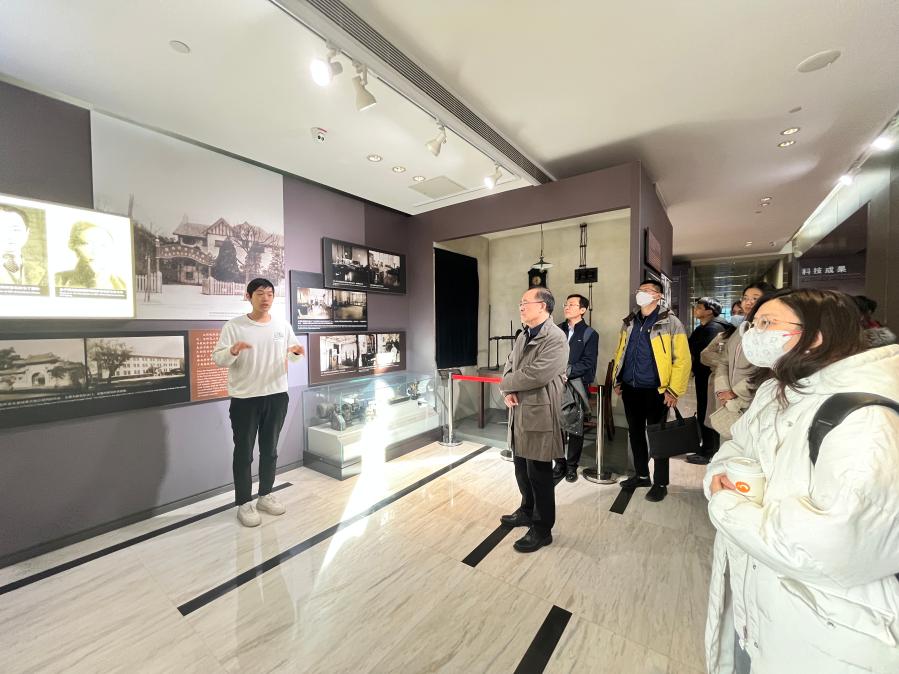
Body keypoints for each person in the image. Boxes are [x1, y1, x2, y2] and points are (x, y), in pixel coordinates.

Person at [703, 289, 899, 673]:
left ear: (816, 334)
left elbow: (825, 550)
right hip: (756, 600)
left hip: (827, 633)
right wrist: (721, 476)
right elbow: (737, 446)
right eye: (753, 324)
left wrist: (725, 502)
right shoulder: (778, 390)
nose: (754, 334)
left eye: (767, 323)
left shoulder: (866, 421)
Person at [212, 278, 305, 527]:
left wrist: (296, 353)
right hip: (245, 399)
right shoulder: (234, 326)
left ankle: (265, 495)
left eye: (270, 294)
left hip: (276, 396)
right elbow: (219, 359)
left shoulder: (282, 325)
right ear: (248, 296)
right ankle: (244, 502)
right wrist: (233, 351)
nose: (266, 298)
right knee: (244, 452)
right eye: (260, 293)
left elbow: (292, 356)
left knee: (270, 450)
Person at [499, 287, 569, 553]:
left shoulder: (555, 338)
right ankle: (527, 510)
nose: (521, 306)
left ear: (543, 306)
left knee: (539, 473)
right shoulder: (524, 334)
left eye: (525, 302)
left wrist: (506, 384)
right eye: (520, 302)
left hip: (540, 412)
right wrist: (507, 390)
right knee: (521, 467)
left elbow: (537, 374)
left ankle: (542, 529)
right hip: (519, 410)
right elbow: (510, 364)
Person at [612, 279, 691, 502]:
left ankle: (660, 483)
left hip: (657, 391)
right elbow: (620, 351)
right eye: (640, 290)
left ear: (658, 296)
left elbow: (682, 359)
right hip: (631, 388)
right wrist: (618, 379)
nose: (642, 293)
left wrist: (673, 390)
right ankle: (641, 475)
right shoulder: (630, 321)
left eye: (647, 290)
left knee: (659, 438)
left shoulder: (670, 322)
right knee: (635, 434)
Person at [708, 282, 775, 441]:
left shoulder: (770, 330)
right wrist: (723, 389)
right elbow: (724, 361)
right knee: (729, 442)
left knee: (750, 443)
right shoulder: (741, 329)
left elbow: (768, 369)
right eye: (745, 298)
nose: (748, 302)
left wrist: (735, 392)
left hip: (753, 399)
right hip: (729, 400)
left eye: (755, 298)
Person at [554, 293, 598, 483]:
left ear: (582, 310)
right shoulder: (556, 330)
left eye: (572, 304)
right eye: (566, 304)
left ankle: (572, 466)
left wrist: (567, 371)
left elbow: (589, 362)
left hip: (576, 385)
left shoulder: (590, 334)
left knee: (575, 427)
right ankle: (559, 463)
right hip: (554, 384)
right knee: (555, 426)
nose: (567, 307)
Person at [685, 298, 728, 464]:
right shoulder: (705, 327)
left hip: (710, 377)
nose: (695, 309)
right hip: (705, 375)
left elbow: (706, 354)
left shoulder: (714, 328)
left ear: (710, 311)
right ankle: (707, 448)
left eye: (699, 307)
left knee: (708, 411)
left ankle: (709, 451)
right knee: (705, 410)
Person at [55, 221, 126, 290]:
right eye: (86, 244)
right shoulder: (58, 281)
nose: (95, 251)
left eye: (103, 245)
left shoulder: (123, 285)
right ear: (74, 246)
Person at [0, 204, 45, 286]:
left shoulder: (42, 268)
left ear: (27, 232)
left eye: (15, 229)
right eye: (2, 229)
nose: (9, 235)